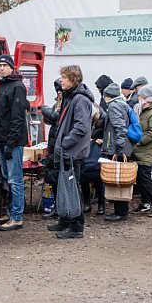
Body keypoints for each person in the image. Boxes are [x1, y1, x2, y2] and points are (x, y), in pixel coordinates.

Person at [46, 65, 92, 239]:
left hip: (73, 152)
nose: (61, 80)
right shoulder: (71, 97)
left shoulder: (80, 99)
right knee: (65, 187)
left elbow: (81, 126)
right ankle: (65, 220)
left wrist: (65, 143)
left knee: (72, 189)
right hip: (67, 151)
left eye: (64, 77)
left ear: (73, 79)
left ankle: (76, 227)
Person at [0, 54, 29, 231]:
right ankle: (10, 211)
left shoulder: (17, 86)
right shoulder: (3, 85)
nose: (1, 68)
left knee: (15, 179)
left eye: (5, 65)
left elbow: (17, 118)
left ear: (12, 67)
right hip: (2, 140)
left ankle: (17, 217)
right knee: (7, 178)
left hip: (12, 141)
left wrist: (11, 143)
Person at [131, 85, 152, 217]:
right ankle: (145, 203)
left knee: (145, 178)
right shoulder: (143, 111)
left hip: (146, 150)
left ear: (146, 98)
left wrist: (139, 140)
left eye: (140, 96)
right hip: (140, 150)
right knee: (140, 178)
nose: (138, 99)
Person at [99, 83, 133, 221]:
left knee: (117, 180)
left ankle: (120, 212)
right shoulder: (122, 104)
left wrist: (118, 146)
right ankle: (121, 210)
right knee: (121, 180)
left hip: (117, 148)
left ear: (108, 96)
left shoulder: (113, 106)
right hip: (121, 147)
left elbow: (120, 127)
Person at [40, 79, 64, 220]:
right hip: (54, 144)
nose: (59, 93)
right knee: (54, 178)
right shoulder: (58, 103)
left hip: (61, 145)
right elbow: (51, 120)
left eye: (60, 90)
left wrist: (47, 111)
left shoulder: (68, 103)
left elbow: (57, 118)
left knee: (62, 180)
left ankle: (62, 209)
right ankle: (56, 208)